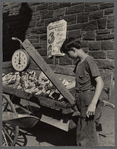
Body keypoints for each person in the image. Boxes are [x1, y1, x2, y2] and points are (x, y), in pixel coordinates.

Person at [60, 37, 104, 146]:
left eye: (68, 53)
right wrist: (64, 88)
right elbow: (77, 82)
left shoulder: (89, 61)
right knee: (82, 133)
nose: (69, 57)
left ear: (73, 50)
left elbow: (100, 82)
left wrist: (93, 104)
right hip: (81, 102)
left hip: (89, 102)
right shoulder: (79, 63)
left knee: (89, 135)